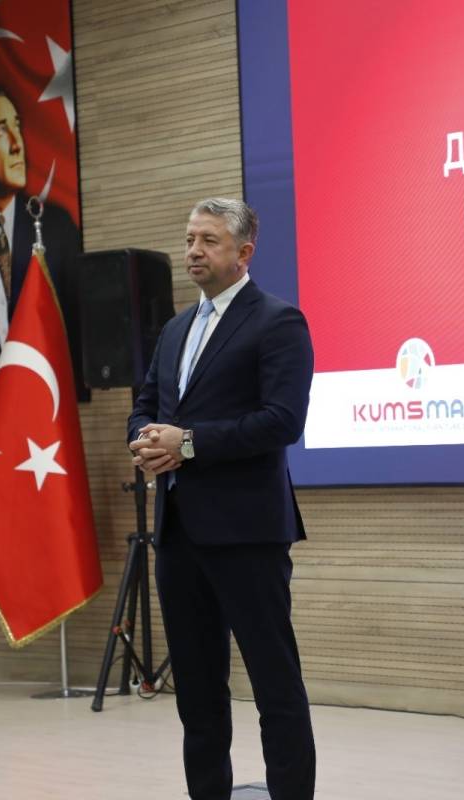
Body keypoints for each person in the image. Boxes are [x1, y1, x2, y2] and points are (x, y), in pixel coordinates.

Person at [127, 198, 316, 800]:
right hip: (179, 535)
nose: (193, 251)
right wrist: (145, 442)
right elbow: (146, 406)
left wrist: (187, 444)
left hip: (248, 533)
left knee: (274, 686)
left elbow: (282, 421)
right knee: (198, 693)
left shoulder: (278, 322)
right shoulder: (175, 329)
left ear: (244, 252)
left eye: (208, 240)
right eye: (190, 239)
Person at [0, 85, 84, 406]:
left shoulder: (56, 228)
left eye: (17, 127)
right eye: (2, 131)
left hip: (49, 397)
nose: (18, 144)